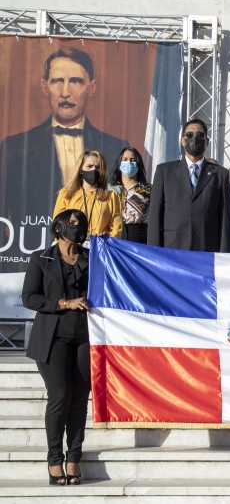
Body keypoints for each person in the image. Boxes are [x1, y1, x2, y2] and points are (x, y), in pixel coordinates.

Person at [0, 47, 128, 269]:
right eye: (57, 80)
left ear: (91, 87)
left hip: (98, 258)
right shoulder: (15, 147)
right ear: (45, 86)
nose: (65, 92)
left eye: (75, 81)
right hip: (31, 257)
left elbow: (117, 225)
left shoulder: (116, 146)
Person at [21, 209, 91, 486]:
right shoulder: (41, 258)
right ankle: (54, 458)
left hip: (85, 338)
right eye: (71, 223)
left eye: (80, 224)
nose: (77, 227)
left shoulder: (92, 258)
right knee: (60, 396)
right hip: (52, 339)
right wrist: (64, 303)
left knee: (79, 399)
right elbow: (29, 297)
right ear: (59, 228)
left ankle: (74, 456)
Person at [147, 119, 230, 252]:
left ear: (207, 141)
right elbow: (155, 216)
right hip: (172, 249)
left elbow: (225, 218)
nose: (194, 138)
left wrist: (224, 255)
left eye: (200, 135)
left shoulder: (220, 174)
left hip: (207, 249)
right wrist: (154, 252)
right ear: (183, 140)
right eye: (190, 135)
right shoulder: (164, 172)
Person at [52, 150, 122, 240]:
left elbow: (116, 230)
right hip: (72, 245)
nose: (94, 170)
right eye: (89, 166)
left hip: (99, 246)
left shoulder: (113, 197)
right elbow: (58, 225)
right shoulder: (66, 194)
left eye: (98, 167)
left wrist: (105, 236)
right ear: (81, 169)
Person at [108, 147, 152, 244]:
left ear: (138, 164)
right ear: (119, 163)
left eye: (133, 160)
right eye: (125, 159)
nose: (129, 163)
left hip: (140, 238)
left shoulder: (149, 190)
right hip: (114, 237)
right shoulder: (109, 189)